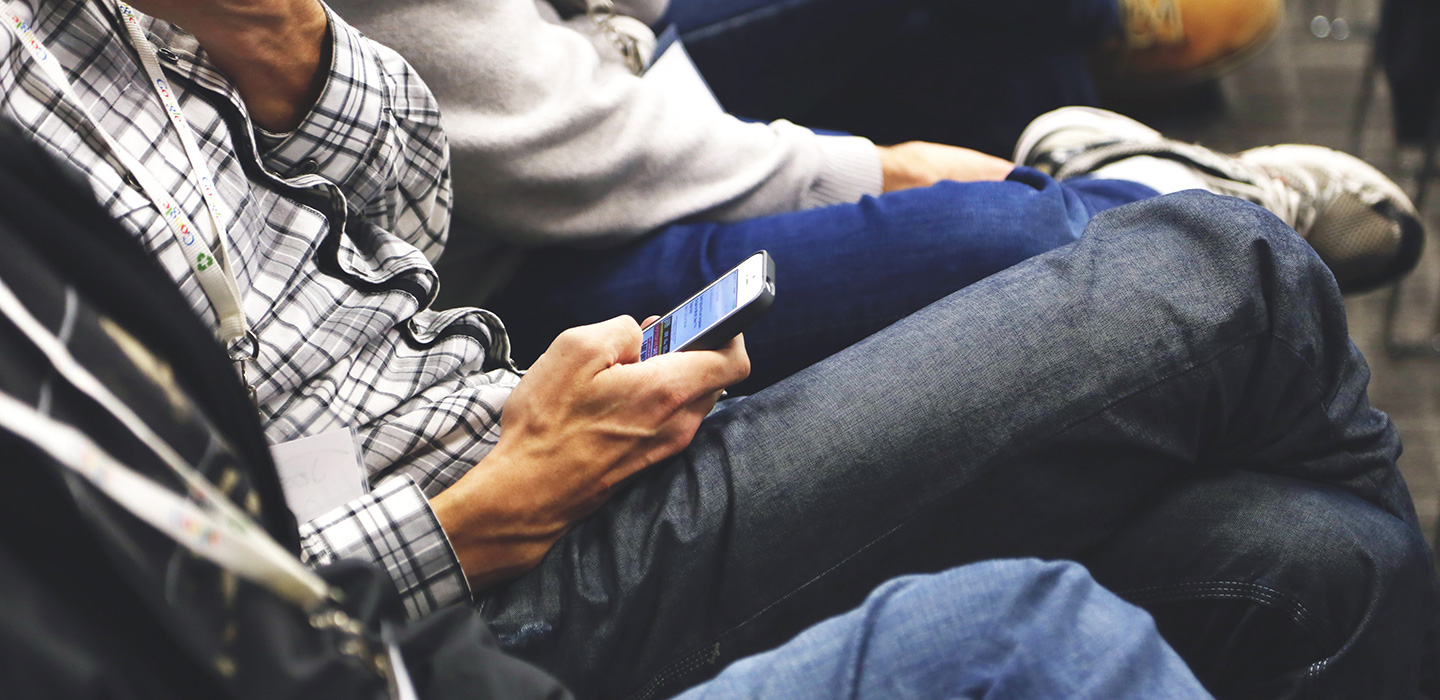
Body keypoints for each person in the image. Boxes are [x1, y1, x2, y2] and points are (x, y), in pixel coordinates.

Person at [2, 1, 1436, 699]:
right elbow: (191, 619)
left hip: (513, 409)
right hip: (470, 594)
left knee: (1304, 557)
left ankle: (1095, 177)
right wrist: (458, 517)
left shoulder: (93, 28)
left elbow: (356, 270)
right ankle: (1122, 182)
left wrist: (284, 46)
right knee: (1221, 278)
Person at [334, 0, 1415, 393]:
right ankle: (1152, 204)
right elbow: (553, 150)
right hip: (503, 289)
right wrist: (875, 166)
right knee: (1010, 234)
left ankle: (1096, 159)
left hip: (582, 85)